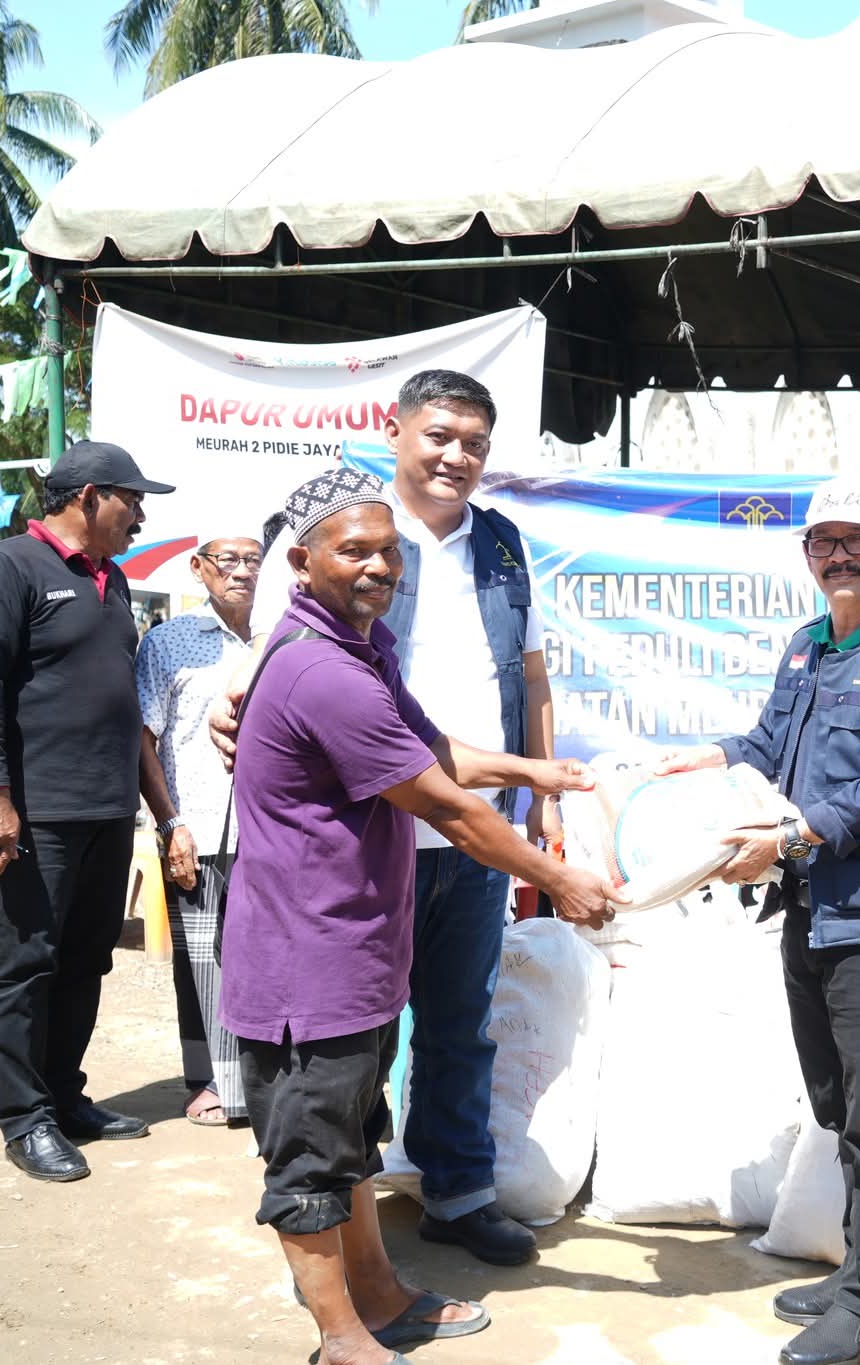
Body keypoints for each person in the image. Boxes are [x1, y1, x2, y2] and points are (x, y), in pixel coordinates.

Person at [222, 469, 616, 1365]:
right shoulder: (324, 671)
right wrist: (559, 879)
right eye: (353, 550)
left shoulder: (364, 649)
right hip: (305, 968)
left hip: (355, 953)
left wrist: (533, 771)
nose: (378, 566)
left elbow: (433, 748)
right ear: (302, 562)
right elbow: (444, 805)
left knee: (355, 1143)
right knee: (312, 1161)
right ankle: (342, 1339)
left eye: (388, 550)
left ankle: (381, 1299)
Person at [224, 370, 554, 1266]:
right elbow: (270, 661)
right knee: (351, 1033)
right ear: (395, 430)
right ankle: (333, 1230)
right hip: (374, 834)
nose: (456, 457)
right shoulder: (341, 530)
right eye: (440, 435)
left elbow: (529, 676)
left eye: (475, 443)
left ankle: (457, 1191)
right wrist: (230, 703)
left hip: (478, 824)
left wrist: (541, 795)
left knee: (461, 1021)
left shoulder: (502, 546)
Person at [657, 473, 860, 1365]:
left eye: (858, 539)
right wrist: (709, 756)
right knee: (836, 1103)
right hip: (812, 911)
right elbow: (769, 746)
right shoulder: (808, 647)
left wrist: (789, 834)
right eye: (823, 541)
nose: (839, 555)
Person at [0, 441, 176, 1182]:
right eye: (132, 500)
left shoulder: (112, 580)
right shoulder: (6, 569)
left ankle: (65, 1096)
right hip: (34, 814)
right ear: (88, 496)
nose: (140, 516)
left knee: (85, 958)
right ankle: (26, 1118)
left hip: (105, 810)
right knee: (23, 963)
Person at [136, 535, 262, 1127]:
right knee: (202, 962)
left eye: (252, 560)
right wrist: (170, 824)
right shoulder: (168, 642)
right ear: (199, 567)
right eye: (227, 560)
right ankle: (211, 1080)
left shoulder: (281, 635)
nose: (241, 572)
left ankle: (258, 1080)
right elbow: (143, 738)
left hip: (272, 827)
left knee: (262, 955)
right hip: (199, 826)